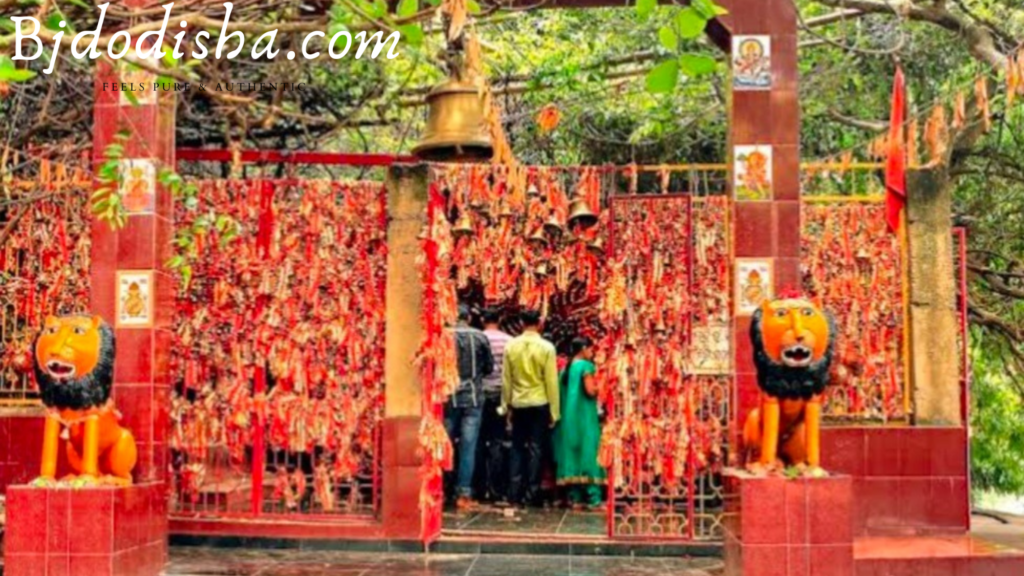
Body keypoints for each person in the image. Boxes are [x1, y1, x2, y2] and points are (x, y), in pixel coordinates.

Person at [501, 309, 559, 507]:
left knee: (517, 447)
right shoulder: (547, 348)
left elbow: (506, 379)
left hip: (518, 403)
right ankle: (532, 492)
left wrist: (506, 406)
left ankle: (514, 493)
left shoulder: (511, 346)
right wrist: (554, 411)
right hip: (540, 403)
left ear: (520, 322)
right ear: (540, 323)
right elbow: (551, 382)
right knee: (536, 447)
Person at [446, 304, 494, 510]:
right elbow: (489, 368)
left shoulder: (444, 336)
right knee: (468, 446)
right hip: (473, 398)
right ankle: (463, 493)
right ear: (469, 318)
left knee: (444, 444)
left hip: (449, 396)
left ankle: (440, 490)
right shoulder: (480, 337)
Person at [554, 337, 606, 510]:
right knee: (589, 453)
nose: (592, 354)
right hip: (584, 418)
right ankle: (593, 498)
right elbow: (590, 391)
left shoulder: (565, 370)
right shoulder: (585, 366)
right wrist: (605, 385)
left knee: (572, 453)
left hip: (568, 419)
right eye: (591, 350)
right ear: (583, 349)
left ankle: (574, 497)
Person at [477, 308, 513, 504]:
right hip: (500, 395)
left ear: (483, 319)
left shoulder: (478, 338)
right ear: (501, 319)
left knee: (479, 440)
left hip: (480, 394)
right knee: (498, 441)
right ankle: (496, 488)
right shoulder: (509, 341)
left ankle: (479, 487)